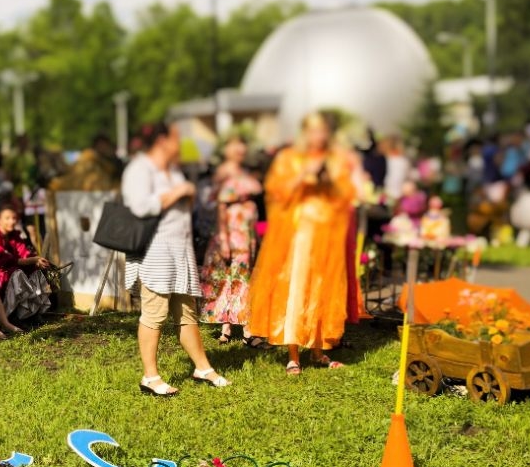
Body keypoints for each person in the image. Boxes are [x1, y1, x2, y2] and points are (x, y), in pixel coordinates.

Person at [123, 122, 231, 396]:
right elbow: (139, 206)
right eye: (176, 139)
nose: (180, 144)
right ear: (161, 141)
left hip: (179, 252)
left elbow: (184, 211)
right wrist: (178, 193)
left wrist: (188, 195)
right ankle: (150, 376)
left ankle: (202, 368)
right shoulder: (139, 169)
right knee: (154, 315)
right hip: (154, 253)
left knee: (187, 313)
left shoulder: (172, 171)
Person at [247, 112, 358, 374]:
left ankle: (318, 350)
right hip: (298, 235)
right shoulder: (289, 158)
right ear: (304, 132)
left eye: (322, 131)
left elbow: (346, 195)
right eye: (312, 130)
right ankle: (293, 354)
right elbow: (275, 191)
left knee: (321, 289)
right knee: (296, 290)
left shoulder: (334, 160)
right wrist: (302, 176)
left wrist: (329, 181)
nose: (317, 136)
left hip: (326, 235)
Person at [199, 130, 266, 346]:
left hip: (245, 231)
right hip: (232, 232)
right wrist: (223, 238)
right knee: (235, 278)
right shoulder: (224, 171)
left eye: (242, 145)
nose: (240, 149)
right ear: (225, 149)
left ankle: (229, 328)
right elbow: (218, 204)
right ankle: (247, 331)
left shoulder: (243, 170)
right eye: (235, 145)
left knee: (236, 278)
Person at [0, 205, 51, 325]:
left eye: (14, 218)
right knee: (17, 275)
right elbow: (2, 259)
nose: (11, 221)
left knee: (36, 272)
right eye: (7, 218)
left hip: (13, 268)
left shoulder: (14, 235)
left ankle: (31, 313)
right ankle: (10, 315)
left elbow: (24, 254)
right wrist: (32, 260)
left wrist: (36, 261)